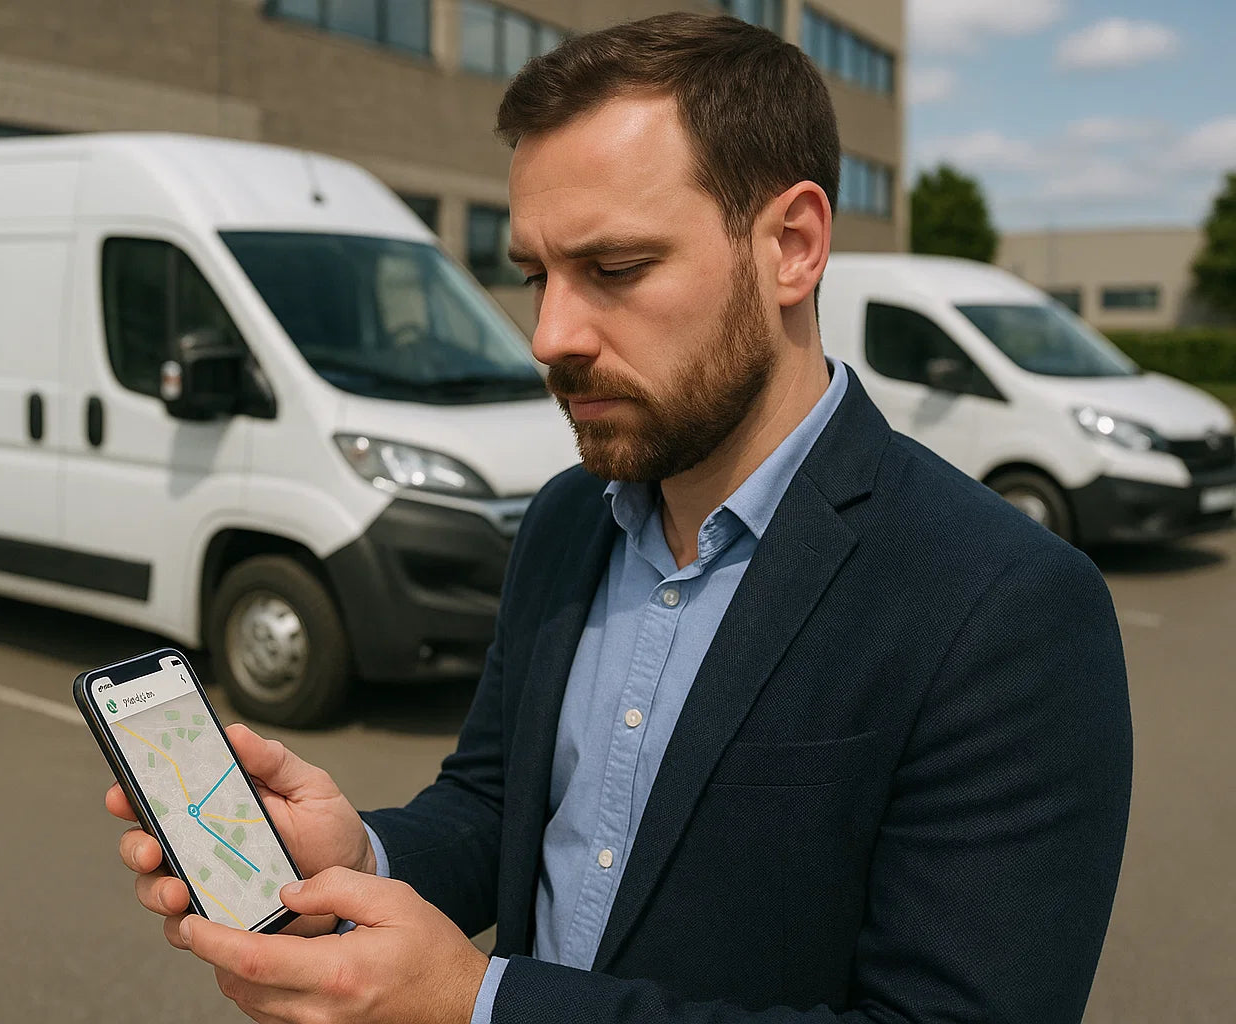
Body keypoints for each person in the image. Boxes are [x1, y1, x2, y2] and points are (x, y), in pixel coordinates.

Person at [107, 12, 1133, 1023]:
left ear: (793, 244)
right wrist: (361, 856)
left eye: (615, 270)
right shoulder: (566, 521)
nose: (550, 335)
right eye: (534, 277)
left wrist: (482, 1004)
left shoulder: (1005, 607)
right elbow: (503, 806)